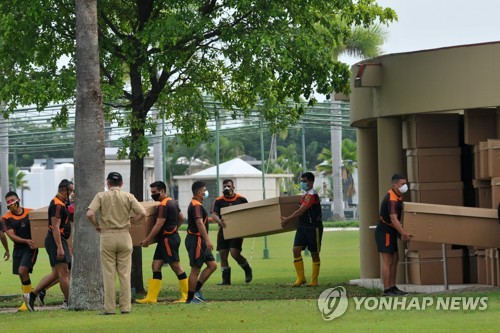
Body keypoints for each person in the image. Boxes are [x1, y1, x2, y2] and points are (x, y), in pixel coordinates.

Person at [86, 172, 146, 315]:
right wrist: (132, 222)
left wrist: (96, 225)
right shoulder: (128, 196)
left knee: (109, 274)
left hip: (107, 235)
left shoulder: (101, 196)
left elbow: (89, 214)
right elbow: (143, 213)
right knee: (125, 274)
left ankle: (110, 308)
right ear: (121, 184)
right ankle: (125, 307)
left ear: (108, 183)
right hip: (124, 235)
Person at [137, 181, 188, 304]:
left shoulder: (163, 205)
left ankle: (187, 296)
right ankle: (151, 298)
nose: (153, 194)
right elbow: (181, 217)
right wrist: (175, 227)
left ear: (163, 191)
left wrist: (147, 240)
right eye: (151, 192)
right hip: (166, 239)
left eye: (155, 192)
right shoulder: (173, 202)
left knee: (176, 267)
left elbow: (158, 224)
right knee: (155, 266)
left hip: (168, 240)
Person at [28, 179, 74, 311]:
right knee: (64, 273)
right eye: (70, 191)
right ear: (64, 189)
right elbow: (55, 227)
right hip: (56, 240)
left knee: (56, 273)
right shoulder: (58, 204)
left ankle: (33, 295)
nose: (71, 193)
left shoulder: (63, 203)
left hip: (57, 240)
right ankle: (70, 303)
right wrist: (60, 246)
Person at [280, 172, 323, 287]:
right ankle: (301, 278)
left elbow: (301, 211)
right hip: (302, 228)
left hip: (314, 228)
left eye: (304, 181)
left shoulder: (312, 196)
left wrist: (287, 219)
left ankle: (314, 280)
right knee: (295, 250)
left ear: (311, 182)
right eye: (302, 181)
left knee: (314, 253)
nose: (302, 183)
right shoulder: (304, 195)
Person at [375, 173, 412, 297]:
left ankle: (393, 287)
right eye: (402, 184)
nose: (405, 186)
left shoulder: (398, 196)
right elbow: (393, 218)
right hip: (384, 231)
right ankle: (387, 290)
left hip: (391, 231)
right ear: (395, 185)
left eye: (405, 183)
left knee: (395, 259)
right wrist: (404, 233)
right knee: (388, 261)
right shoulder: (391, 198)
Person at [211, 179, 252, 285]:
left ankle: (247, 269)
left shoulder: (241, 199)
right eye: (224, 186)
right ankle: (226, 280)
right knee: (223, 255)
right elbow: (214, 214)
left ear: (233, 187)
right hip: (223, 230)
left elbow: (248, 213)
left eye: (229, 186)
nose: (226, 188)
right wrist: (220, 221)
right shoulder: (219, 200)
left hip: (237, 230)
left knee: (235, 253)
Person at [1, 191, 37, 312]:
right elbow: (11, 236)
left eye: (12, 200)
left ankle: (29, 301)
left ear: (19, 200)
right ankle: (28, 300)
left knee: (22, 271)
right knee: (22, 275)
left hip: (30, 247)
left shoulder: (31, 212)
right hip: (18, 248)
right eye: (8, 202)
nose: (11, 203)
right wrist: (23, 241)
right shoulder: (6, 218)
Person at [185, 181, 217, 303]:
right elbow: (198, 223)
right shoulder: (196, 205)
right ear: (199, 192)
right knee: (196, 269)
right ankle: (190, 298)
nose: (205, 192)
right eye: (204, 189)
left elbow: (200, 220)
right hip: (196, 240)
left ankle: (196, 291)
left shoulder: (197, 204)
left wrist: (209, 220)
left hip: (200, 240)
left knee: (212, 265)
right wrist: (208, 240)